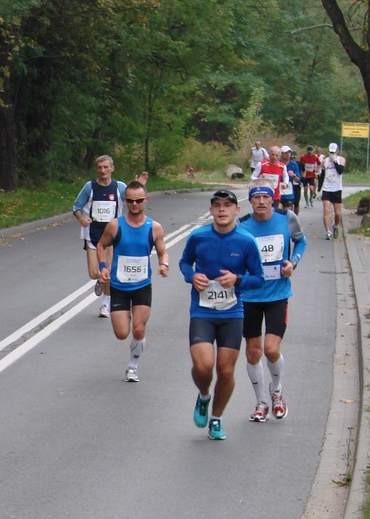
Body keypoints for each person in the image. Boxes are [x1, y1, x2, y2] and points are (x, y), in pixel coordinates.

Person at [179, 189, 265, 440]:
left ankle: (216, 419)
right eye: (217, 205)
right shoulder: (198, 237)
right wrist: (192, 276)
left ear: (237, 210)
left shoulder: (246, 241)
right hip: (202, 311)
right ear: (211, 210)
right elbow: (184, 263)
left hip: (232, 313)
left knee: (226, 371)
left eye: (227, 205)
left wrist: (237, 279)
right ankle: (204, 395)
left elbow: (258, 278)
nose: (222, 210)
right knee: (203, 365)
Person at [238, 182, 308, 423]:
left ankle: (276, 391)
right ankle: (260, 402)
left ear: (272, 199)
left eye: (265, 197)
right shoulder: (242, 226)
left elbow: (301, 241)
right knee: (253, 352)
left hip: (277, 295)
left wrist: (293, 262)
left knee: (271, 349)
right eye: (255, 197)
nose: (261, 201)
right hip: (249, 297)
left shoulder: (287, 218)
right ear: (250, 201)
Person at [95, 180, 169, 382]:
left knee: (138, 328)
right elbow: (101, 245)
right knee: (122, 333)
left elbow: (162, 252)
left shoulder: (154, 227)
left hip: (142, 286)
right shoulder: (115, 225)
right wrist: (103, 267)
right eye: (130, 200)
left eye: (138, 200)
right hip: (119, 286)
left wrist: (164, 264)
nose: (134, 204)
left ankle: (132, 367)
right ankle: (124, 313)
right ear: (125, 200)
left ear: (146, 200)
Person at [73, 155, 126, 317]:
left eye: (106, 167)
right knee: (94, 273)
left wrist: (141, 186)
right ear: (96, 169)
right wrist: (82, 219)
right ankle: (100, 281)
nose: (103, 171)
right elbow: (76, 206)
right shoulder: (90, 187)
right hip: (93, 235)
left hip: (111, 236)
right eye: (99, 167)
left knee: (107, 271)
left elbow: (134, 200)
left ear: (112, 168)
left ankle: (106, 304)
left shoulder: (120, 187)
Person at [319, 142, 346, 239]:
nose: (332, 154)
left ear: (337, 151)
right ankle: (328, 231)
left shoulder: (341, 159)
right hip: (327, 188)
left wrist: (335, 161)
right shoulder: (324, 161)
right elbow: (322, 176)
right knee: (326, 209)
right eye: (330, 152)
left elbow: (340, 171)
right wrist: (319, 189)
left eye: (333, 152)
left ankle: (335, 225)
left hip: (337, 189)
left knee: (337, 213)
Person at [280, 146, 301, 214]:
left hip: (289, 191)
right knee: (279, 211)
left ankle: (294, 218)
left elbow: (298, 180)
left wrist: (293, 175)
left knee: (288, 212)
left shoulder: (294, 164)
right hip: (278, 191)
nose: (288, 155)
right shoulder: (277, 163)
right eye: (285, 153)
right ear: (281, 154)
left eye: (289, 153)